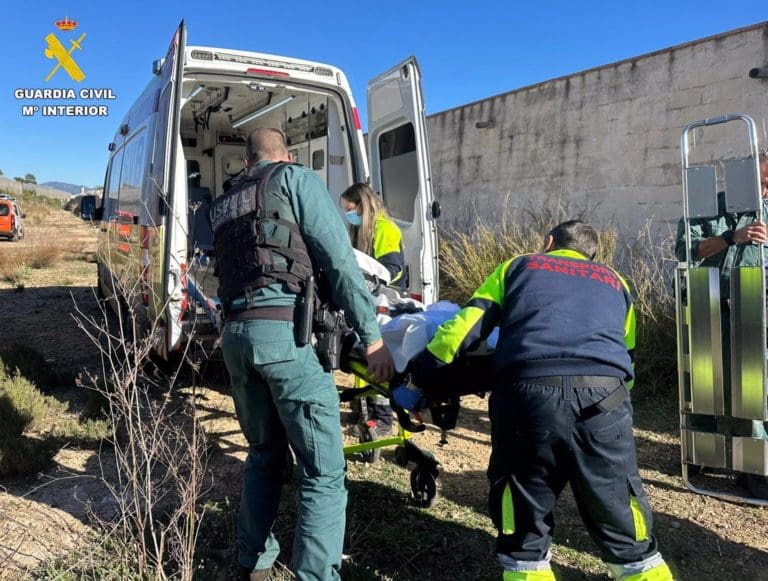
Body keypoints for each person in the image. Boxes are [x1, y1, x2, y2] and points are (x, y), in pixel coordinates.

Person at [401, 220, 673, 580]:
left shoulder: (519, 266)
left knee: (524, 520)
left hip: (529, 395)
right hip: (604, 399)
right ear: (592, 254)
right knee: (626, 522)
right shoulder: (616, 281)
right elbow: (628, 359)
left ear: (548, 242)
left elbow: (462, 330)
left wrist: (420, 376)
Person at [211, 128, 394, 581]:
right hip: (283, 340)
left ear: (247, 160)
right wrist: (372, 338)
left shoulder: (225, 203)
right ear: (285, 155)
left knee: (263, 453)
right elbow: (338, 260)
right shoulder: (295, 179)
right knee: (323, 472)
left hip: (235, 340)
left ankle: (253, 561)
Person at [340, 183, 407, 436]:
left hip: (387, 301)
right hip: (371, 300)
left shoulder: (385, 229)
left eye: (350, 209)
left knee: (377, 356)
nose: (348, 215)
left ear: (363, 206)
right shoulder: (362, 231)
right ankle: (365, 407)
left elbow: (392, 268)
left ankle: (381, 420)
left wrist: (371, 280)